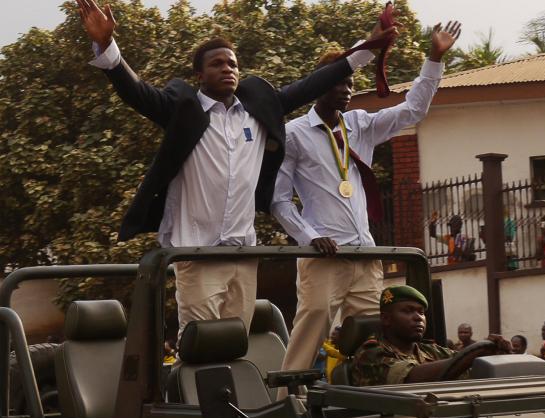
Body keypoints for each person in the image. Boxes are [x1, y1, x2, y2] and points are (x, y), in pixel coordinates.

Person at [76, 0, 392, 340]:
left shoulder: (258, 110)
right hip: (197, 253)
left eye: (232, 63)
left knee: (235, 342)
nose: (227, 68)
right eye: (217, 64)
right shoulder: (183, 109)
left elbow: (313, 84)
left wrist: (368, 49)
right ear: (200, 75)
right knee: (200, 344)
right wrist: (107, 45)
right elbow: (136, 92)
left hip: (243, 252)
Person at [272, 21, 461, 386]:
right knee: (308, 338)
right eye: (339, 82)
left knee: (373, 340)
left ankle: (376, 407)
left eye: (350, 84)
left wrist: (434, 57)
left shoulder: (359, 125)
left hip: (365, 256)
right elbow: (279, 201)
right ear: (318, 85)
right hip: (323, 257)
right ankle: (283, 411)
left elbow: (413, 111)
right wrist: (310, 238)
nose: (346, 90)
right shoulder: (294, 134)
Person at [350, 285, 510, 386]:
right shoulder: (370, 353)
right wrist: (473, 353)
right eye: (408, 311)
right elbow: (412, 379)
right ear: (386, 319)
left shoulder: (431, 351)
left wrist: (493, 355)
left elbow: (465, 365)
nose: (418, 317)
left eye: (421, 312)